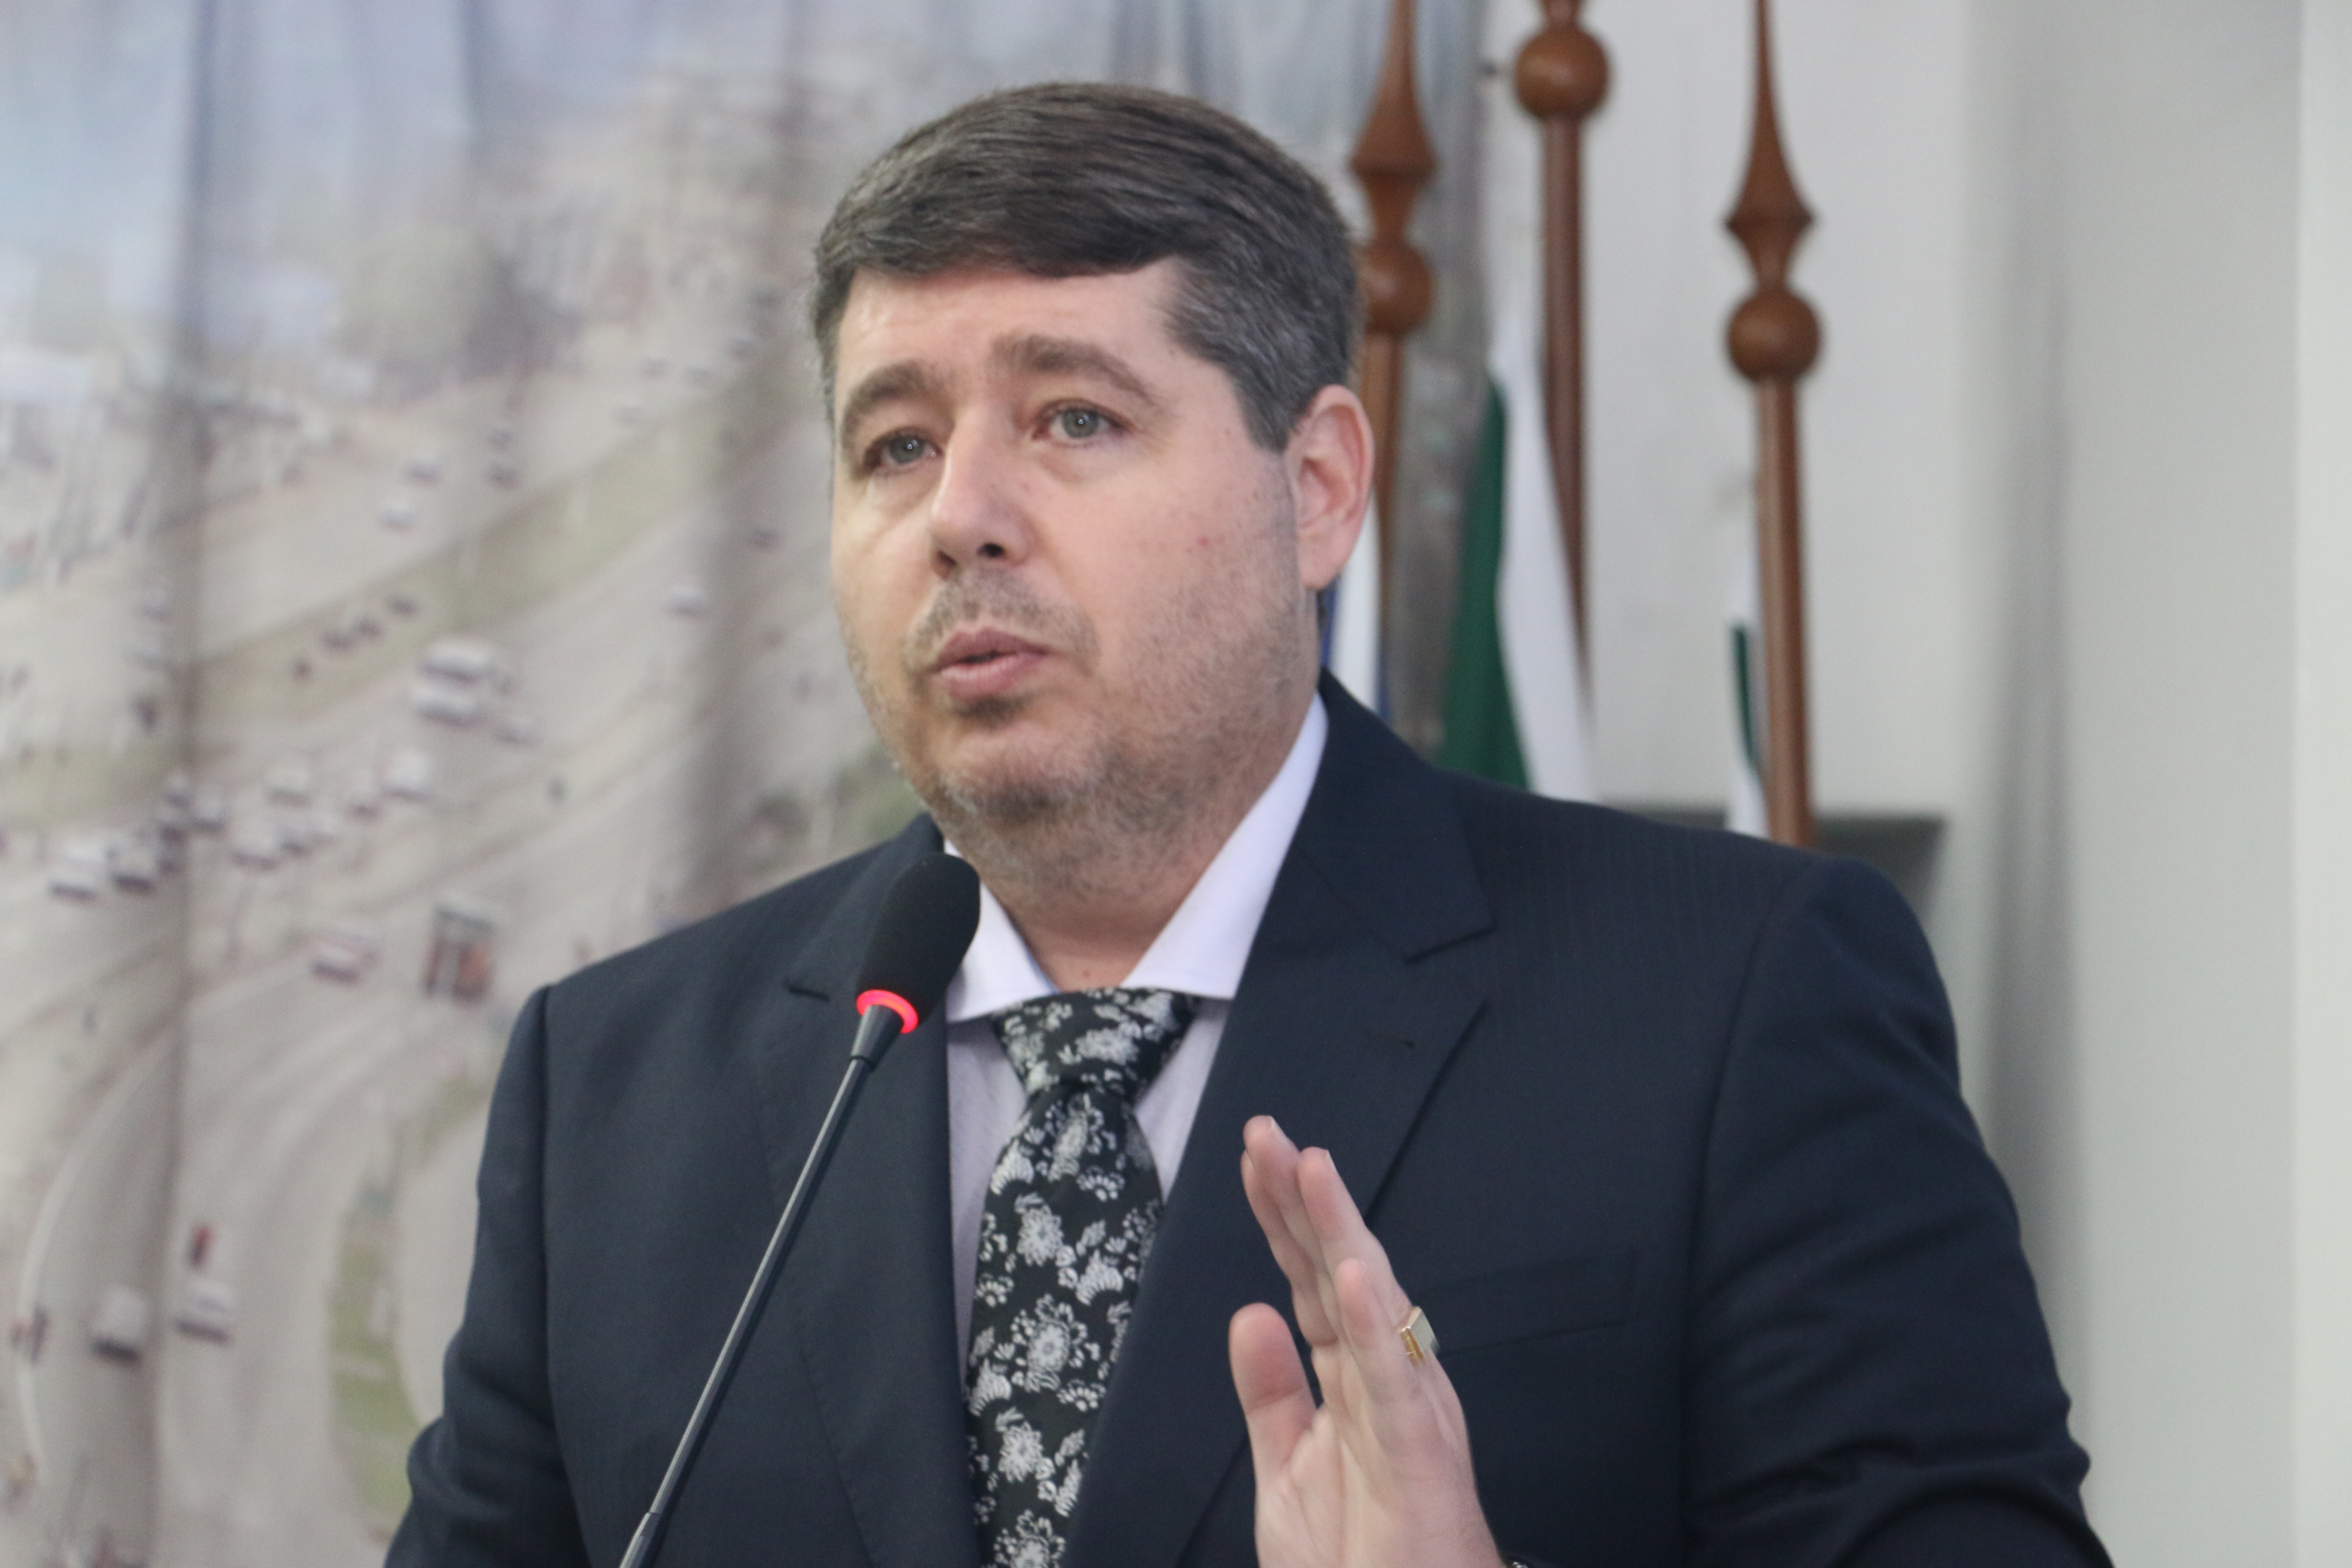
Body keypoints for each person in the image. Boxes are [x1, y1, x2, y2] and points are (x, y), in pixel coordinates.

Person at [392, 84, 2108, 1568]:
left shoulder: (1728, 1003)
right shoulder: (614, 1089)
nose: (962, 516)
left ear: (1322, 488)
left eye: (1074, 418)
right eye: (895, 446)